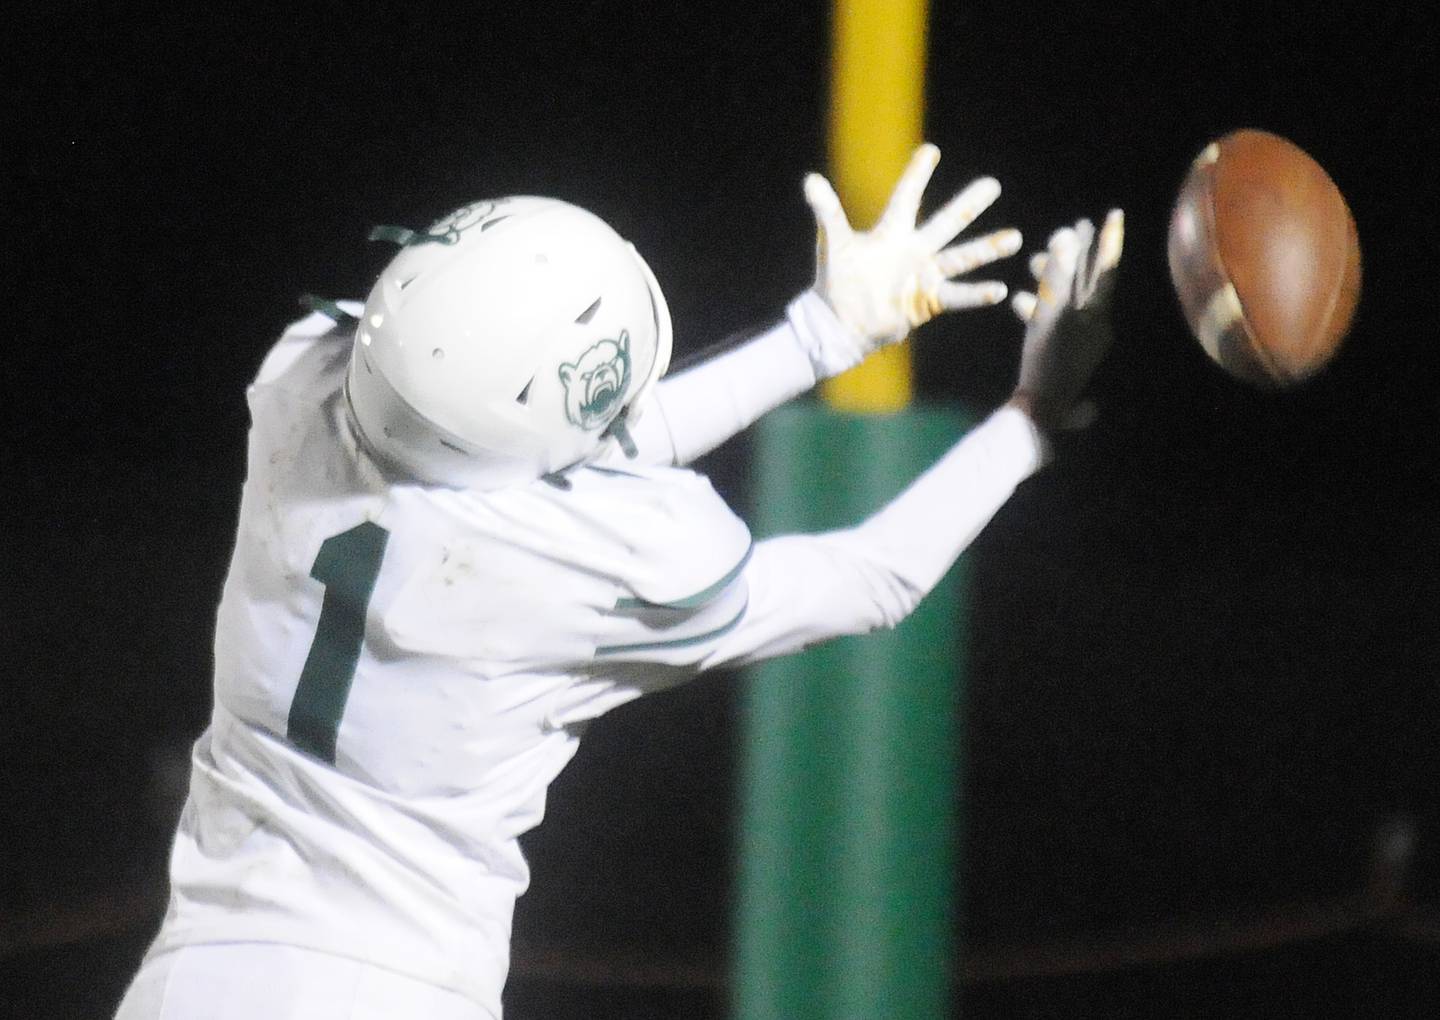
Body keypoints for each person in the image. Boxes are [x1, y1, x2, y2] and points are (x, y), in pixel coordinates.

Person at [115, 143, 1123, 1019]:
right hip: (392, 993)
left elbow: (536, 462)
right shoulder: (565, 578)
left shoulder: (301, 384)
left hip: (190, 982)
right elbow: (871, 580)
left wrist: (826, 334)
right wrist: (1031, 417)